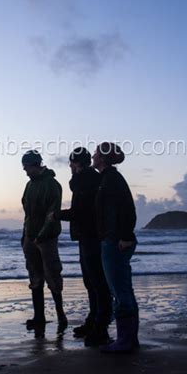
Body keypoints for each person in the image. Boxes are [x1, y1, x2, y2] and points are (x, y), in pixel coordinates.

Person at [57, 147, 112, 344]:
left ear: (77, 163)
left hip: (91, 236)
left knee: (96, 282)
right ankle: (94, 321)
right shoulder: (86, 181)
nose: (70, 166)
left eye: (71, 162)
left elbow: (80, 212)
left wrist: (55, 214)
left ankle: (100, 327)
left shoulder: (85, 182)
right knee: (92, 282)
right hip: (88, 236)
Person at [93, 142, 139, 353]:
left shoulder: (111, 179)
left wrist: (125, 236)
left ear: (102, 158)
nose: (93, 156)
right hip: (113, 239)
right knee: (123, 289)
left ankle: (125, 341)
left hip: (115, 241)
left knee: (120, 291)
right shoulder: (109, 178)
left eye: (96, 153)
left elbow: (126, 209)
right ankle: (128, 339)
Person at [21, 150, 67, 335]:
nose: (25, 171)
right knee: (34, 276)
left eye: (27, 167)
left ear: (36, 165)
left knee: (53, 275)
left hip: (46, 239)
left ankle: (61, 315)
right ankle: (39, 316)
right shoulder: (29, 185)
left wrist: (42, 235)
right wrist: (25, 235)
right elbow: (27, 214)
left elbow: (52, 213)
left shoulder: (53, 185)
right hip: (30, 237)